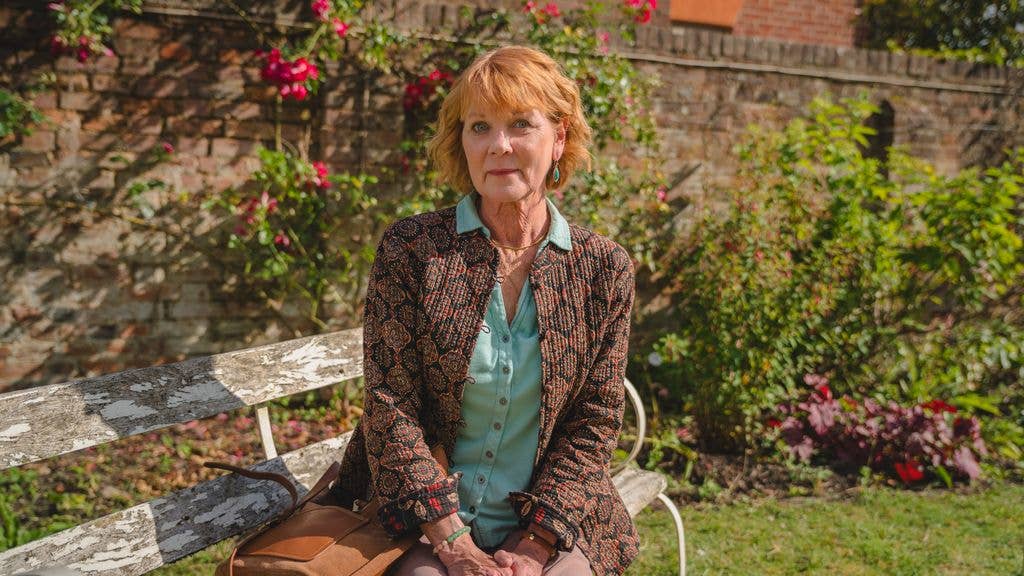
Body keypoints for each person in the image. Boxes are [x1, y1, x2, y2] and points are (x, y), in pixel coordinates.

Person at [334, 45, 638, 576]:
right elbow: (389, 405)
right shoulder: (413, 250)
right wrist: (455, 544)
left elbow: (595, 421)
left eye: (520, 124)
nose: (499, 145)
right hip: (420, 522)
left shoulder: (603, 268)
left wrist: (534, 546)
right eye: (480, 127)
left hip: (552, 521)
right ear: (463, 143)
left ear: (559, 137)